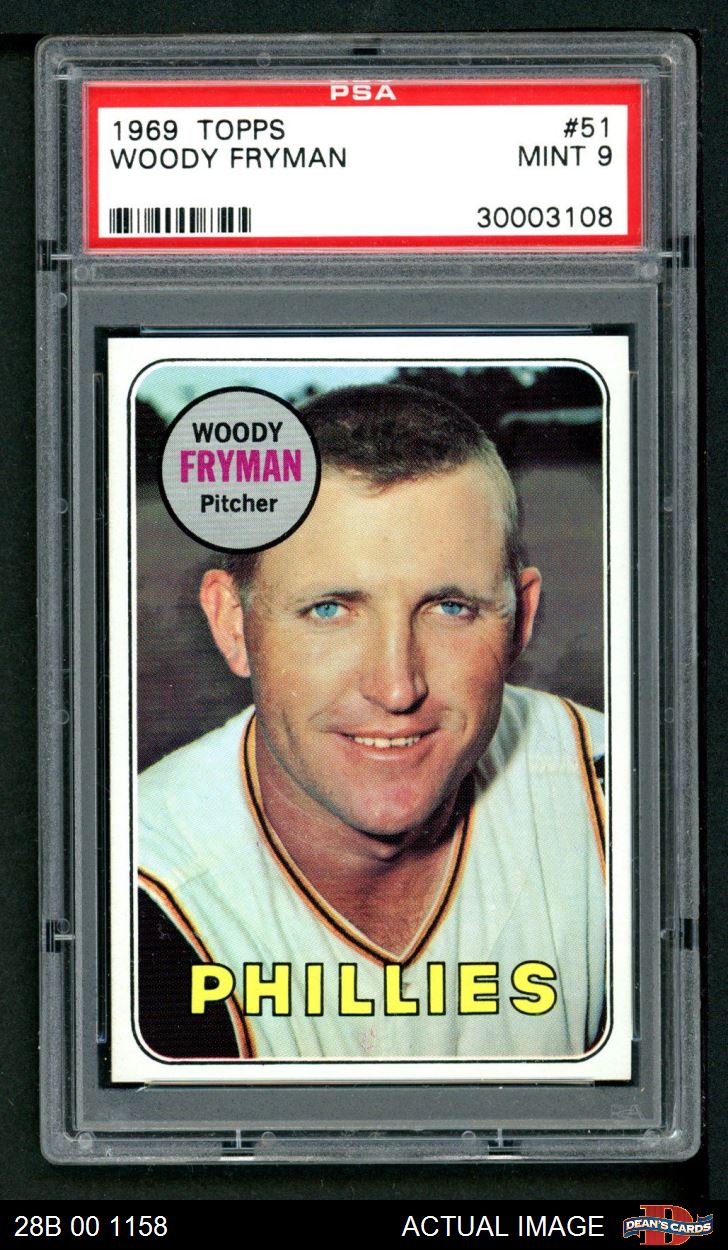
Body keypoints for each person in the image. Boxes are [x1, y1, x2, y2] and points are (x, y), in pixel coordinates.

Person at [137, 383, 606, 1063]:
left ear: (520, 619)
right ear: (233, 625)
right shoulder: (135, 893)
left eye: (450, 608)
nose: (396, 687)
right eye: (329, 609)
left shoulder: (631, 809)